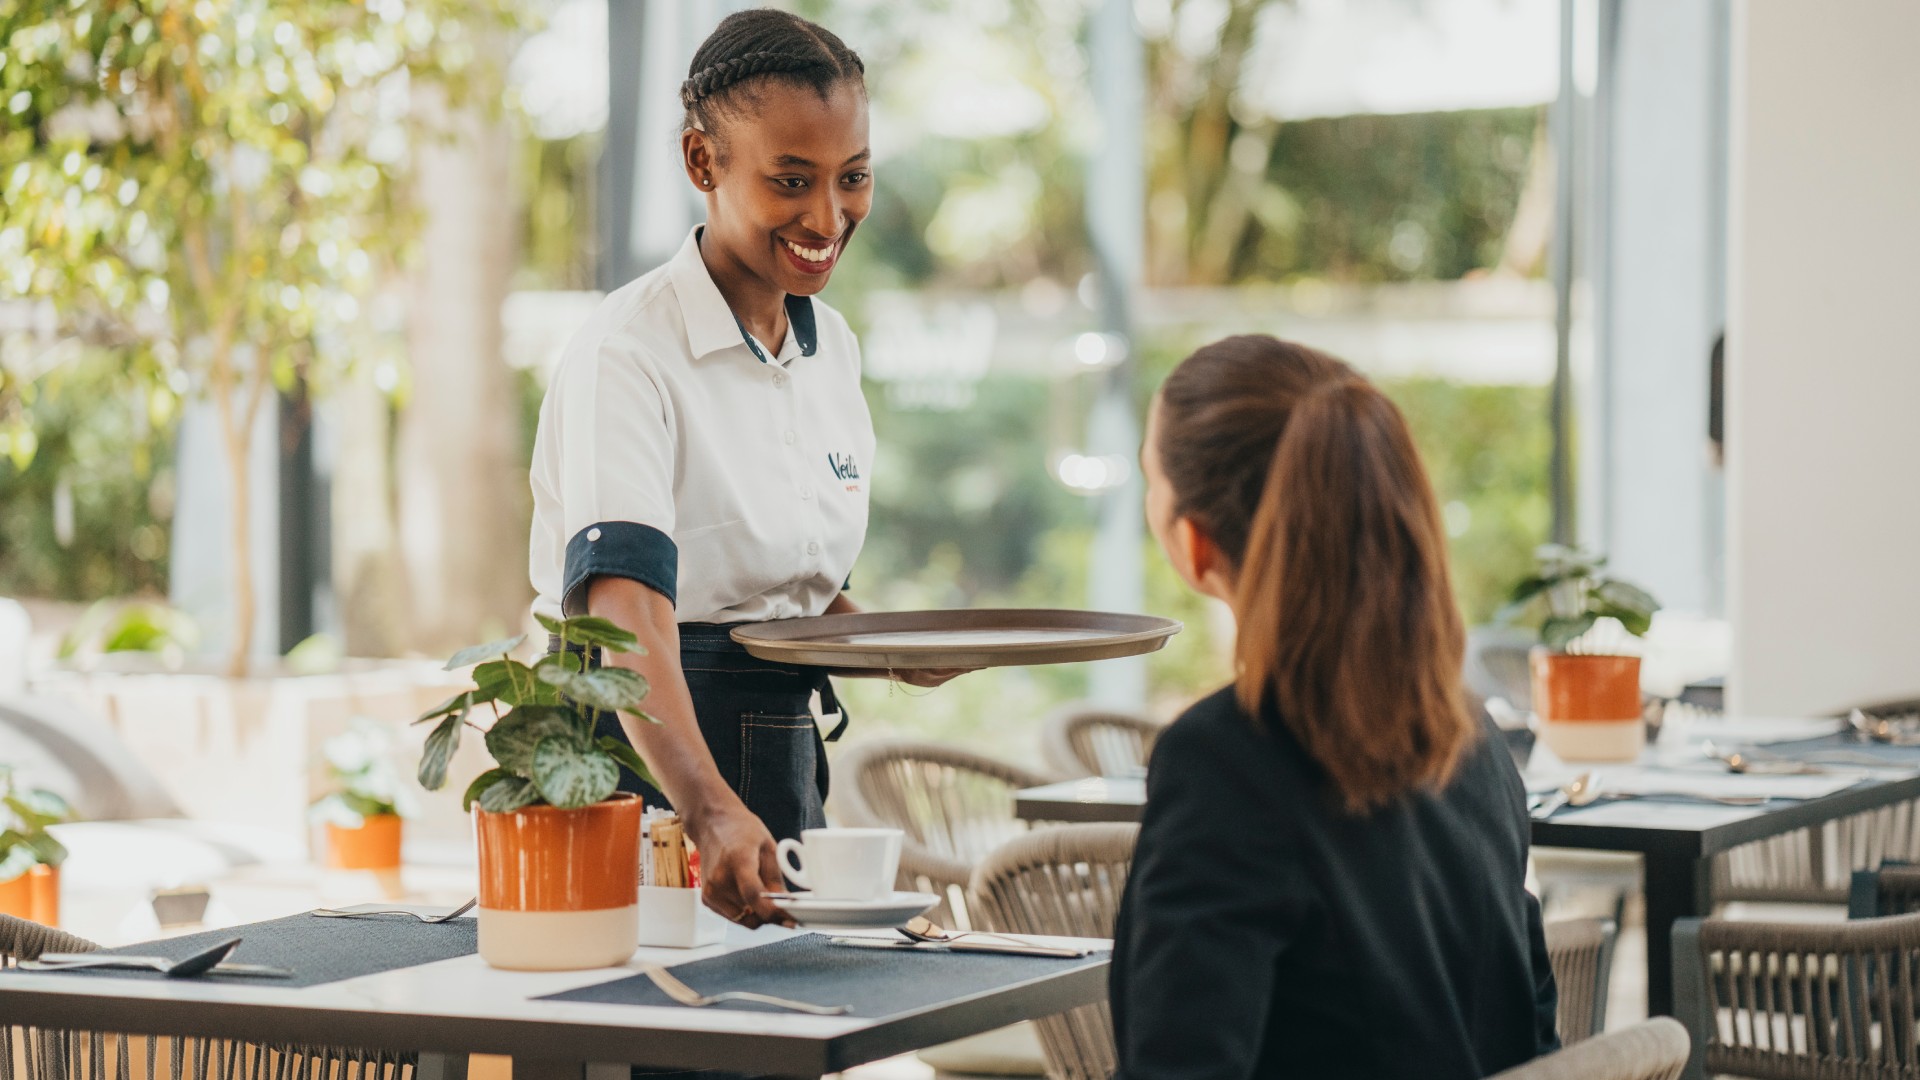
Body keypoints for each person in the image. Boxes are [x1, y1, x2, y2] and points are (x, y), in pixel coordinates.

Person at [527, 8, 957, 935]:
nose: (827, 216)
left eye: (854, 178)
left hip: (782, 753)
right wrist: (708, 806)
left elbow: (777, 591)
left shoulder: (830, 348)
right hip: (650, 770)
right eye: (791, 181)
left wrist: (894, 642)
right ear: (702, 163)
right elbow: (622, 612)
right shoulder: (629, 352)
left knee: (793, 1039)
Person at [1111, 336, 1559, 1079]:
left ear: (1192, 544)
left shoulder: (1224, 760)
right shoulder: (1471, 736)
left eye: (1148, 477)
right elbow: (1530, 1024)